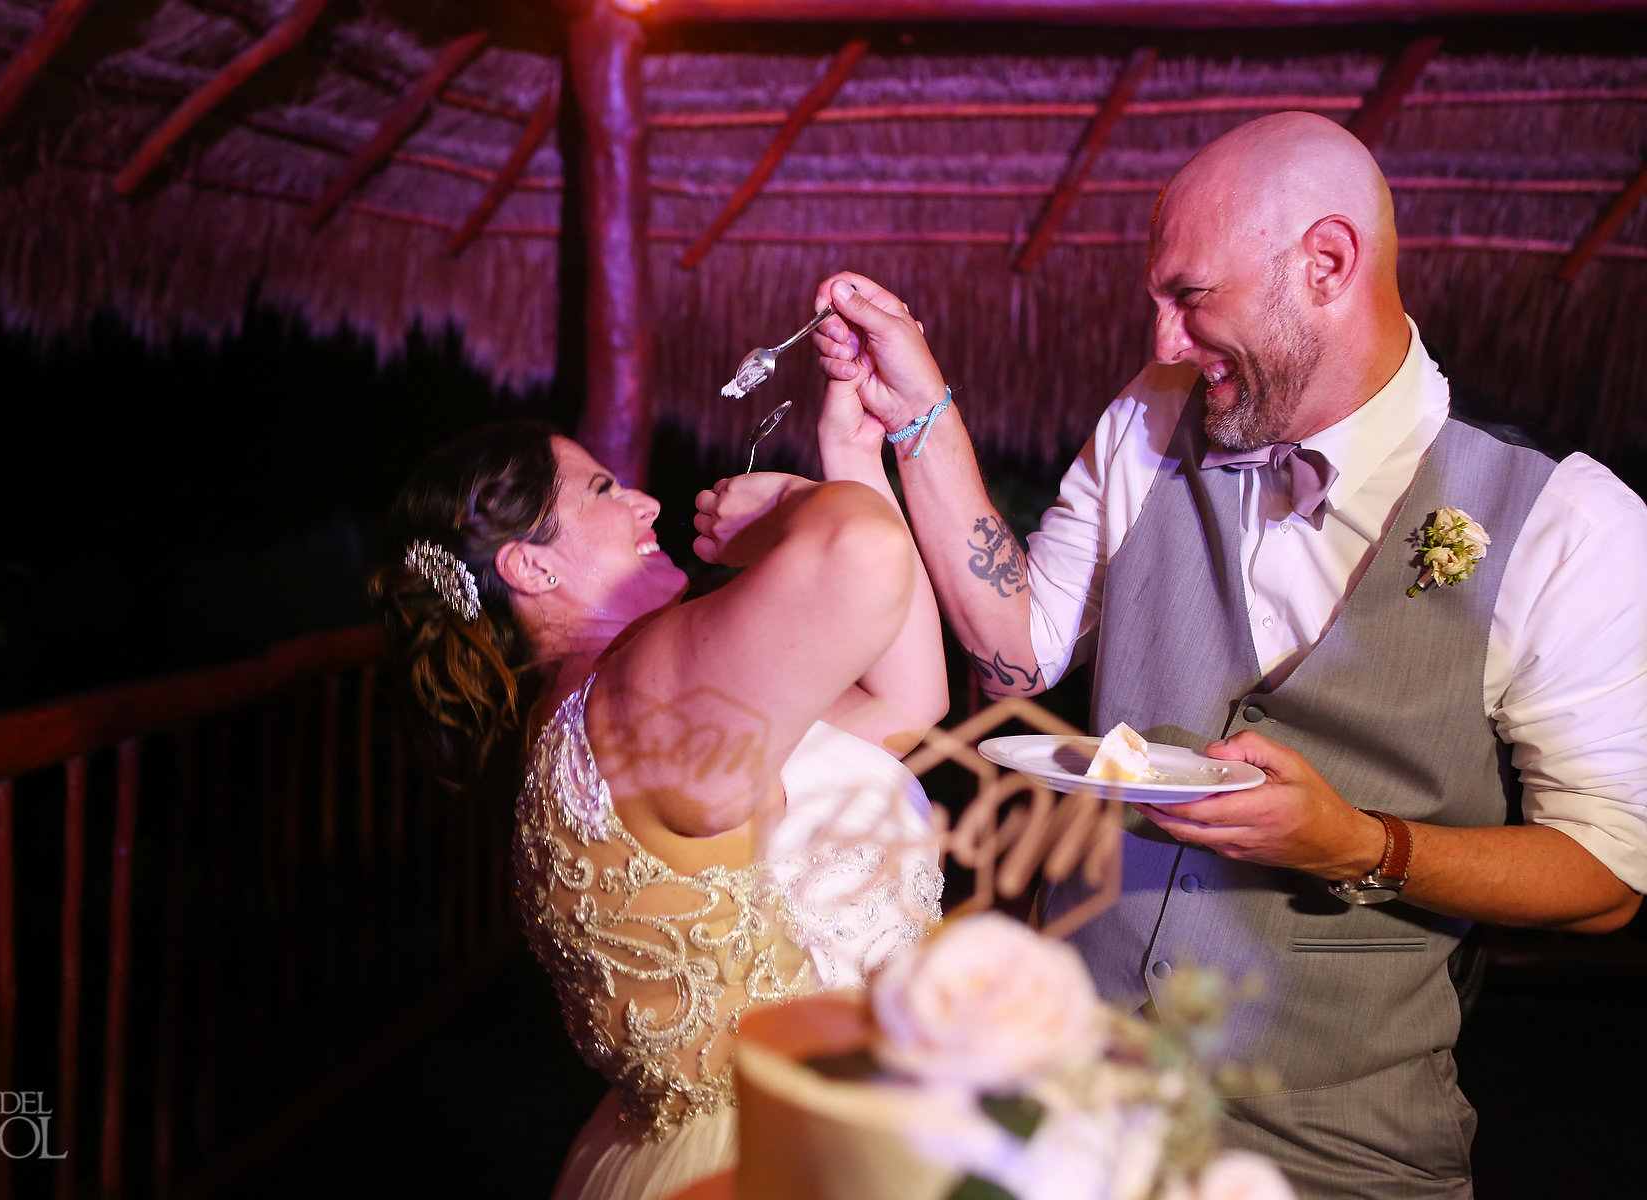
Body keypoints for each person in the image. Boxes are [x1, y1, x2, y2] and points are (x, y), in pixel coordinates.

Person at [807, 110, 1646, 1198]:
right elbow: (1017, 658)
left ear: (1327, 265)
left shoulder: (1568, 522)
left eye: (1188, 296)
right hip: (1066, 1107)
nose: (1162, 342)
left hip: (1336, 1154)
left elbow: (1609, 873)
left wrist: (1361, 843)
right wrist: (921, 413)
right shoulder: (1150, 422)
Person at [367, 380, 948, 1200]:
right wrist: (789, 510)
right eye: (602, 489)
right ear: (530, 565)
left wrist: (854, 461)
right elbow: (859, 552)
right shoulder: (644, 692)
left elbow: (906, 701)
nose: (642, 502)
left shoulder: (587, 710)